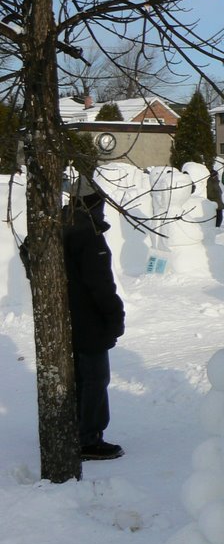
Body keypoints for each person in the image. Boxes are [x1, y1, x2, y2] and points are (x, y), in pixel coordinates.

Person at [63, 177, 126, 460]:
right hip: (88, 321)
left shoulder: (59, 228)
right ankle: (88, 439)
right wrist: (115, 318)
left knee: (77, 378)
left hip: (65, 320)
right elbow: (101, 285)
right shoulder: (88, 235)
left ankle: (72, 430)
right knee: (95, 379)